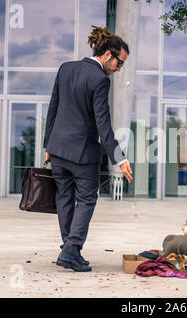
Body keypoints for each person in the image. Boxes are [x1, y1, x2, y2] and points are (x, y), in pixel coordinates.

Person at [44, 26, 133, 272]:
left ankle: (70, 250)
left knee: (64, 199)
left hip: (59, 150)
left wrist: (48, 145)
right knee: (85, 200)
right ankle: (71, 251)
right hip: (82, 156)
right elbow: (103, 123)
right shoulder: (99, 80)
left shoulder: (65, 68)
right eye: (119, 62)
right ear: (106, 54)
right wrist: (119, 158)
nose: (119, 68)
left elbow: (53, 108)